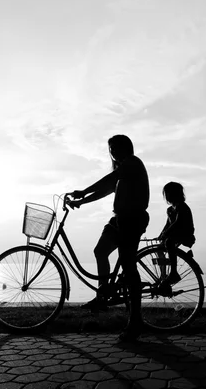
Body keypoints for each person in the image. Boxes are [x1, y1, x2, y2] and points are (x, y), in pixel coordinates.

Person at [68, 134, 149, 341]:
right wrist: (83, 201)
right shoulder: (121, 169)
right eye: (110, 148)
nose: (112, 151)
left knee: (129, 269)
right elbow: (106, 189)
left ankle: (135, 321)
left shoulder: (132, 163)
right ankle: (102, 296)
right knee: (100, 251)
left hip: (132, 220)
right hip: (119, 219)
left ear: (125, 147)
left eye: (114, 147)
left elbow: (109, 180)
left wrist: (83, 191)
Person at [158, 182, 196, 285]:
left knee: (169, 242)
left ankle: (173, 272)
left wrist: (166, 233)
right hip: (174, 234)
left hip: (185, 235)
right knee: (159, 247)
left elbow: (177, 222)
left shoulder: (182, 207)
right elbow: (168, 224)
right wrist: (161, 235)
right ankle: (163, 274)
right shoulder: (170, 209)